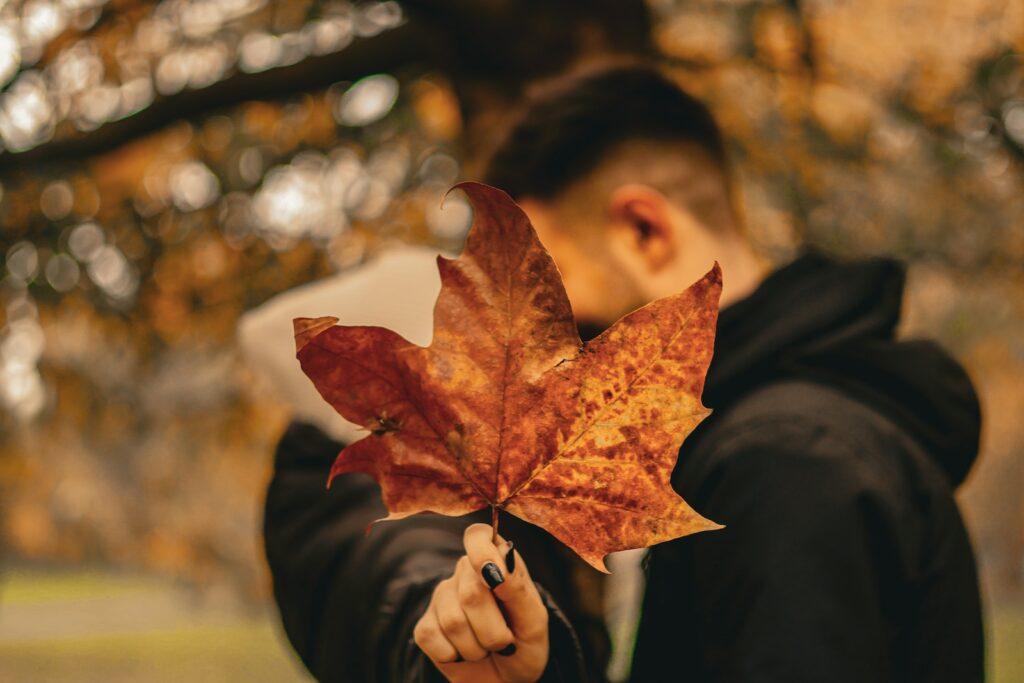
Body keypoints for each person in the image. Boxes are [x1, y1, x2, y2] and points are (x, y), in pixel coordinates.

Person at [257, 64, 984, 682]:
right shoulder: (789, 431)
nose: (548, 348)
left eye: (553, 290)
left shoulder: (783, 459)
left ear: (644, 229)